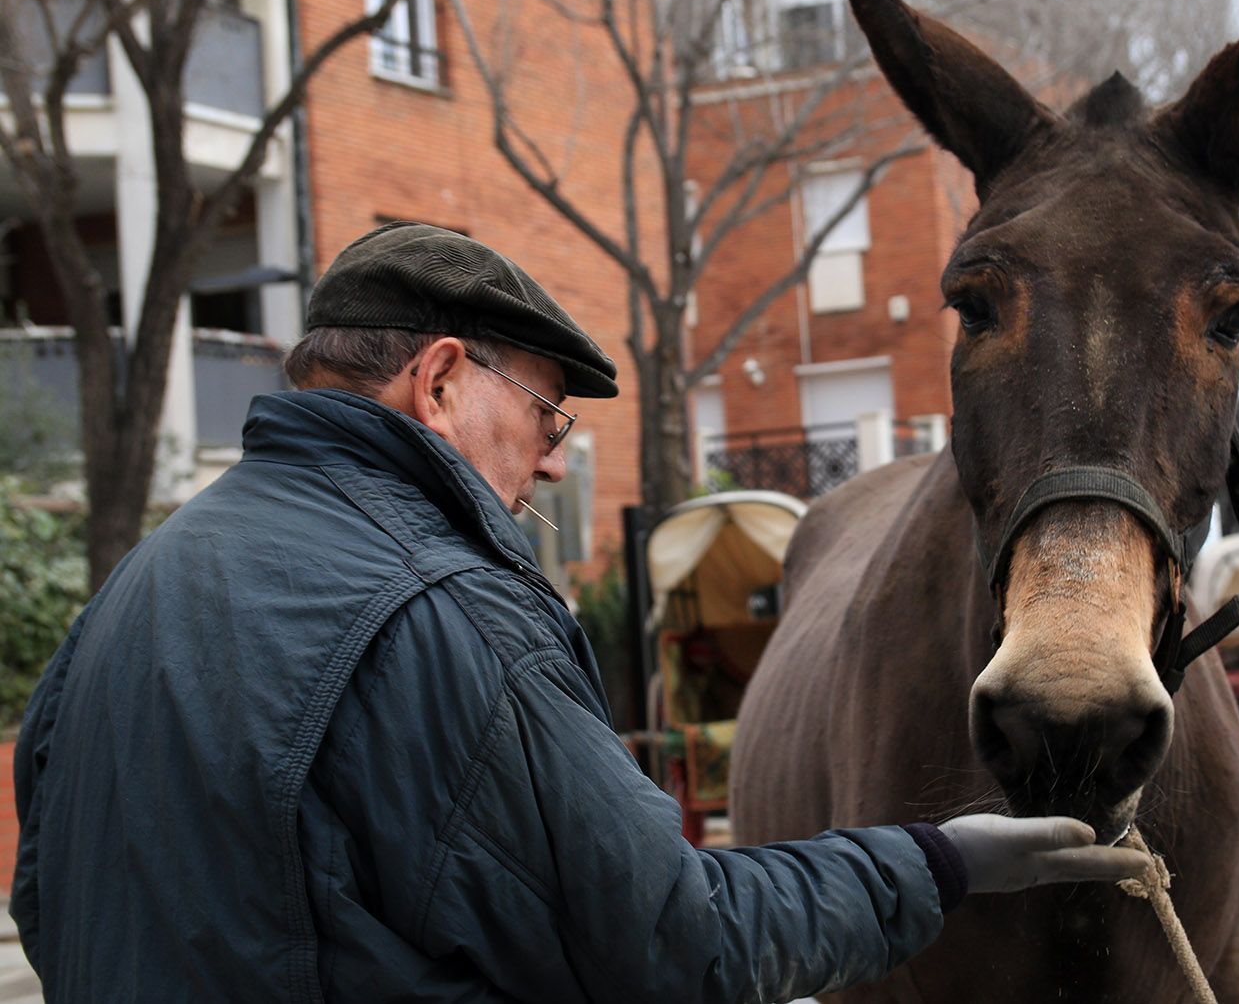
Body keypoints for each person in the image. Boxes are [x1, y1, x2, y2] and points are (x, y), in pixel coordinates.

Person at [11, 222, 1148, 1002]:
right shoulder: (450, 614)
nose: (553, 464)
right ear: (442, 378)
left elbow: (45, 901)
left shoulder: (127, 597)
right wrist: (938, 861)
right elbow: (677, 943)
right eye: (548, 419)